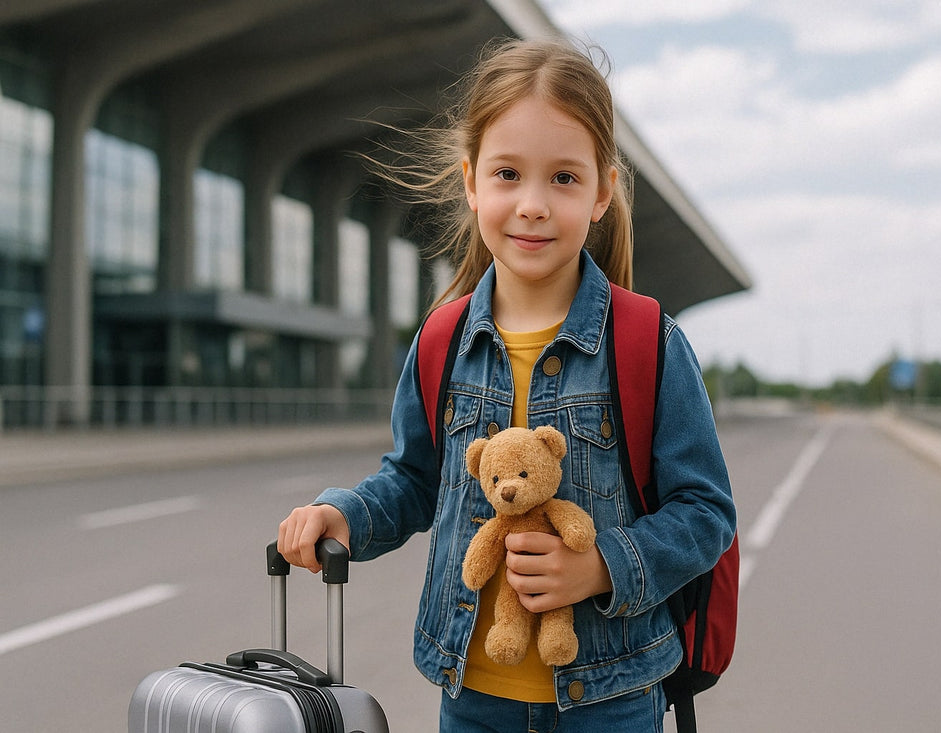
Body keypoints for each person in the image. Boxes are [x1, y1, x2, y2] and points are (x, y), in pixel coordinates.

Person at [277, 38, 736, 732]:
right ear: (471, 182)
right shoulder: (442, 339)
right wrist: (345, 514)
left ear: (603, 191)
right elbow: (412, 480)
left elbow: (706, 513)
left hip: (610, 702)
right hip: (471, 698)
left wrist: (600, 566)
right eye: (507, 174)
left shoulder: (647, 342)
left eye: (563, 178)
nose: (531, 204)